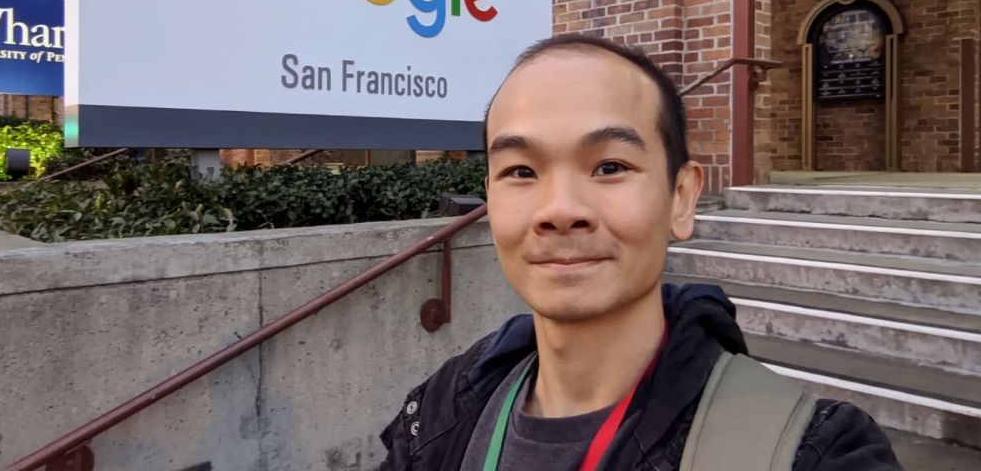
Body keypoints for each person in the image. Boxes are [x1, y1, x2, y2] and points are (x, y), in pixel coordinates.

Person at [377, 34, 902, 470]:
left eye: (610, 167)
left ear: (682, 197)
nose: (559, 210)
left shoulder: (810, 450)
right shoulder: (443, 410)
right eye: (521, 171)